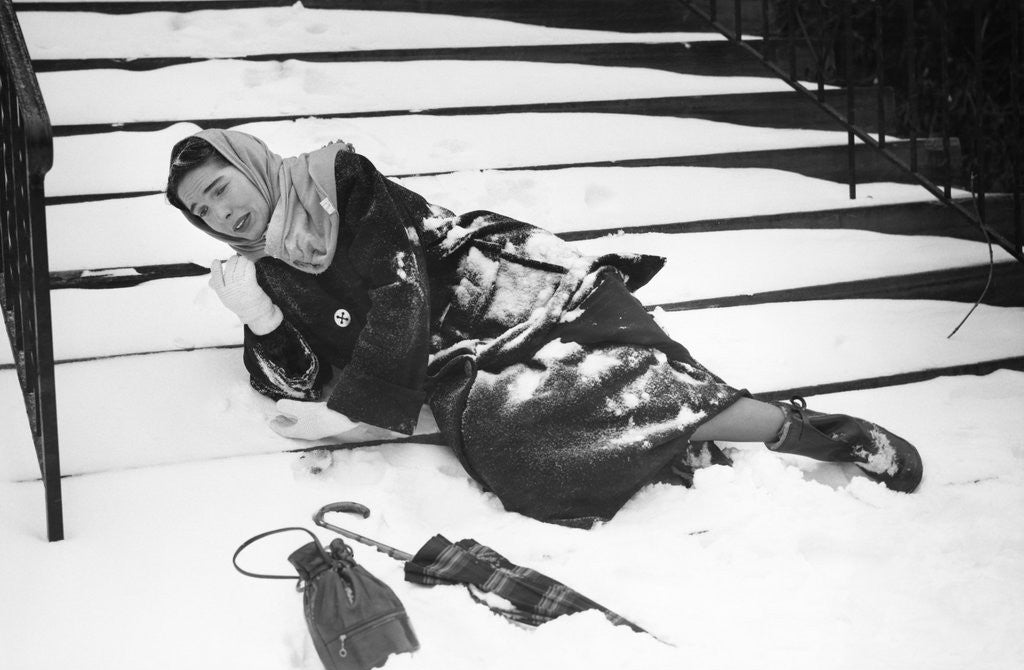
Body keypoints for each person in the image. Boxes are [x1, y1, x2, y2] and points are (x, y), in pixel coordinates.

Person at [166, 129, 923, 526]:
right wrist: (261, 318)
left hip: (499, 291)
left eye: (221, 188)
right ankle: (665, 445)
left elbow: (401, 289)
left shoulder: (340, 180)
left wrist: (350, 409)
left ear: (249, 165)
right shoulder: (261, 269)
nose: (222, 213)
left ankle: (805, 431)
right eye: (202, 211)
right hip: (447, 360)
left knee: (612, 364)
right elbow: (292, 376)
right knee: (512, 437)